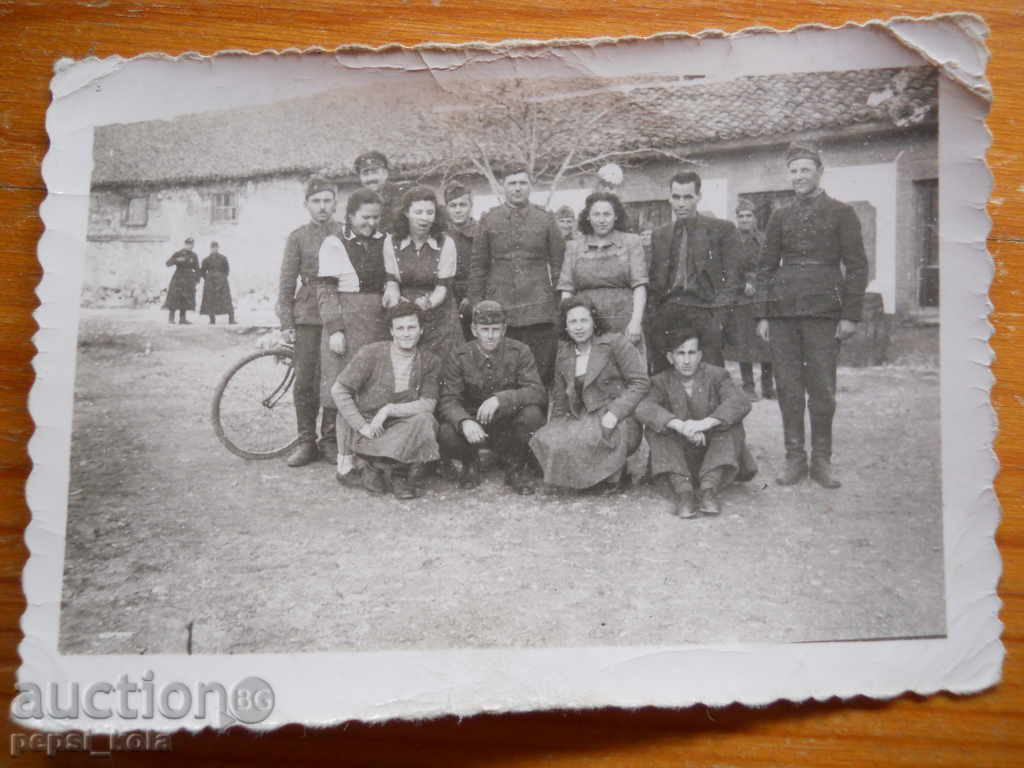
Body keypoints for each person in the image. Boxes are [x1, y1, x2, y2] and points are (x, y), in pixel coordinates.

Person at [755, 141, 868, 489]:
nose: (799, 176)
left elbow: (857, 266)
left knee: (822, 389)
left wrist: (849, 315)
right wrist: (763, 314)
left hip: (824, 312)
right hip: (783, 313)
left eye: (805, 169)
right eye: (794, 170)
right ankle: (794, 458)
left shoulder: (841, 212)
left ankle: (821, 461)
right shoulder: (779, 215)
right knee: (788, 388)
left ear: (820, 171)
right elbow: (765, 268)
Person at [530, 296, 649, 494]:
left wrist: (616, 412)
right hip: (584, 413)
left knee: (598, 436)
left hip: (615, 412)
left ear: (594, 322)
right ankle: (590, 478)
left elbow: (640, 382)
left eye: (584, 320)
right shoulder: (565, 351)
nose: (579, 327)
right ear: (565, 326)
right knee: (550, 438)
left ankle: (614, 476)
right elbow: (560, 395)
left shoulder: (615, 343)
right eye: (573, 322)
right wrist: (557, 424)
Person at [637, 326, 757, 519]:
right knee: (656, 429)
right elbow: (644, 407)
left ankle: (709, 490)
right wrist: (680, 425)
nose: (686, 360)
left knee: (731, 424)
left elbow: (740, 402)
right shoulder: (660, 381)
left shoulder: (718, 375)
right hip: (680, 458)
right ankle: (684, 493)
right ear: (670, 357)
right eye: (680, 353)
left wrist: (706, 423)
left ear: (700, 355)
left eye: (692, 353)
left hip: (714, 453)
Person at [331, 302, 442, 500]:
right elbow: (339, 390)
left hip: (398, 426)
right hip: (368, 426)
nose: (406, 334)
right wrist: (362, 426)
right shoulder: (371, 353)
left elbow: (428, 403)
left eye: (412, 327)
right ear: (391, 331)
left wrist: (388, 409)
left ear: (421, 330)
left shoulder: (430, 361)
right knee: (345, 413)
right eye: (400, 328)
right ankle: (370, 465)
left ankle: (396, 471)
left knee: (425, 420)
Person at [316, 188, 389, 483]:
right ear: (350, 216)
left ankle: (368, 452)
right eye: (364, 218)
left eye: (375, 218)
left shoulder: (385, 242)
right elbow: (325, 290)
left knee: (372, 387)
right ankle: (345, 458)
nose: (370, 223)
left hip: (377, 322)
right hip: (347, 320)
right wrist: (335, 328)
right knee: (345, 387)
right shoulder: (334, 243)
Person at [468, 162, 565, 385]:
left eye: (523, 183)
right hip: (501, 305)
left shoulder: (545, 218)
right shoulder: (489, 219)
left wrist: (558, 303)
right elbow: (478, 266)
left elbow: (559, 264)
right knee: (505, 370)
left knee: (540, 370)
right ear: (503, 186)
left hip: (538, 308)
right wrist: (477, 305)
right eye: (512, 183)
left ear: (531, 186)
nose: (517, 188)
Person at [437, 300, 547, 495]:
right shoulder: (459, 355)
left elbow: (537, 391)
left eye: (495, 329)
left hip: (506, 423)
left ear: (504, 329)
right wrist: (464, 422)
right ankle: (470, 462)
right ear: (473, 329)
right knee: (446, 432)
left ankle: (515, 467)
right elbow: (448, 399)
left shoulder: (520, 351)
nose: (490, 335)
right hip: (474, 425)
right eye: (484, 329)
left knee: (533, 415)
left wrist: (500, 399)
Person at [276, 175, 343, 467]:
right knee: (305, 381)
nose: (322, 207)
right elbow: (287, 282)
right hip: (307, 315)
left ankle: (329, 439)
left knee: (334, 379)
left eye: (327, 200)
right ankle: (306, 441)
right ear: (306, 204)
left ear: (336, 203)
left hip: (339, 313)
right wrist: (286, 322)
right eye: (316, 201)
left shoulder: (346, 232)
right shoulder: (298, 237)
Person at [648, 170, 742, 371]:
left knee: (710, 375)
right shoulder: (660, 235)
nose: (681, 203)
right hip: (668, 310)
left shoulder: (721, 229)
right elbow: (654, 281)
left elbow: (733, 278)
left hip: (704, 310)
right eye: (676, 197)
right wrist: (653, 317)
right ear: (669, 198)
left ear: (698, 197)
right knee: (663, 375)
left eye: (687, 197)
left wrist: (718, 319)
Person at [557, 191, 648, 351]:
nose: (601, 219)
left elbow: (639, 286)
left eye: (607, 214)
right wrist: (568, 322)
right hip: (586, 322)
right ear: (588, 217)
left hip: (623, 319)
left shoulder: (631, 242)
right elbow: (567, 290)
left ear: (616, 216)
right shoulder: (574, 246)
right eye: (596, 214)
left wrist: (636, 322)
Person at [382, 186, 462, 361]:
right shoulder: (392, 242)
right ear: (406, 213)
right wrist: (396, 302)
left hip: (440, 315)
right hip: (406, 315)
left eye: (430, 212)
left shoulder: (446, 243)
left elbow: (443, 288)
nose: (425, 218)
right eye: (418, 212)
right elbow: (392, 282)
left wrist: (427, 303)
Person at [724, 199, 773, 399]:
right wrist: (742, 284)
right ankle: (748, 386)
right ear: (737, 218)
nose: (744, 220)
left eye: (748, 216)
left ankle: (768, 387)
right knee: (744, 344)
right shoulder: (730, 241)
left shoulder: (764, 240)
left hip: (763, 296)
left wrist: (757, 282)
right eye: (741, 216)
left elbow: (769, 267)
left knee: (766, 344)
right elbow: (726, 269)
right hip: (740, 299)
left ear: (755, 218)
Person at [444, 180, 478, 341]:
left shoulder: (482, 233)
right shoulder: (441, 236)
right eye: (453, 205)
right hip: (448, 297)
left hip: (477, 296)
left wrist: (472, 296)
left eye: (462, 205)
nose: (458, 210)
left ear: (471, 206)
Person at [354, 150, 403, 234]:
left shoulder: (400, 195)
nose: (370, 178)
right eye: (365, 174)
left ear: (385, 174)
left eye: (374, 172)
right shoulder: (356, 200)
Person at [163, 237, 201, 324]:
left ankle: (182, 319)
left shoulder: (194, 255)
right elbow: (168, 263)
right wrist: (176, 260)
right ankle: (171, 318)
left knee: (185, 298)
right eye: (188, 244)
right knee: (175, 297)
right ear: (185, 244)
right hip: (178, 278)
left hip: (188, 279)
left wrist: (197, 279)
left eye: (192, 244)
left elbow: (197, 268)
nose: (190, 246)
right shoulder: (179, 253)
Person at [198, 241, 236, 325]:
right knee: (211, 300)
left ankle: (231, 319)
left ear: (218, 248)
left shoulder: (223, 258)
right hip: (210, 282)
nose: (214, 249)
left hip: (222, 282)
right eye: (212, 247)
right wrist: (207, 278)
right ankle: (212, 319)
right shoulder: (206, 259)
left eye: (215, 247)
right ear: (210, 249)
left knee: (226, 300)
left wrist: (222, 277)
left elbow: (227, 270)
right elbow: (202, 271)